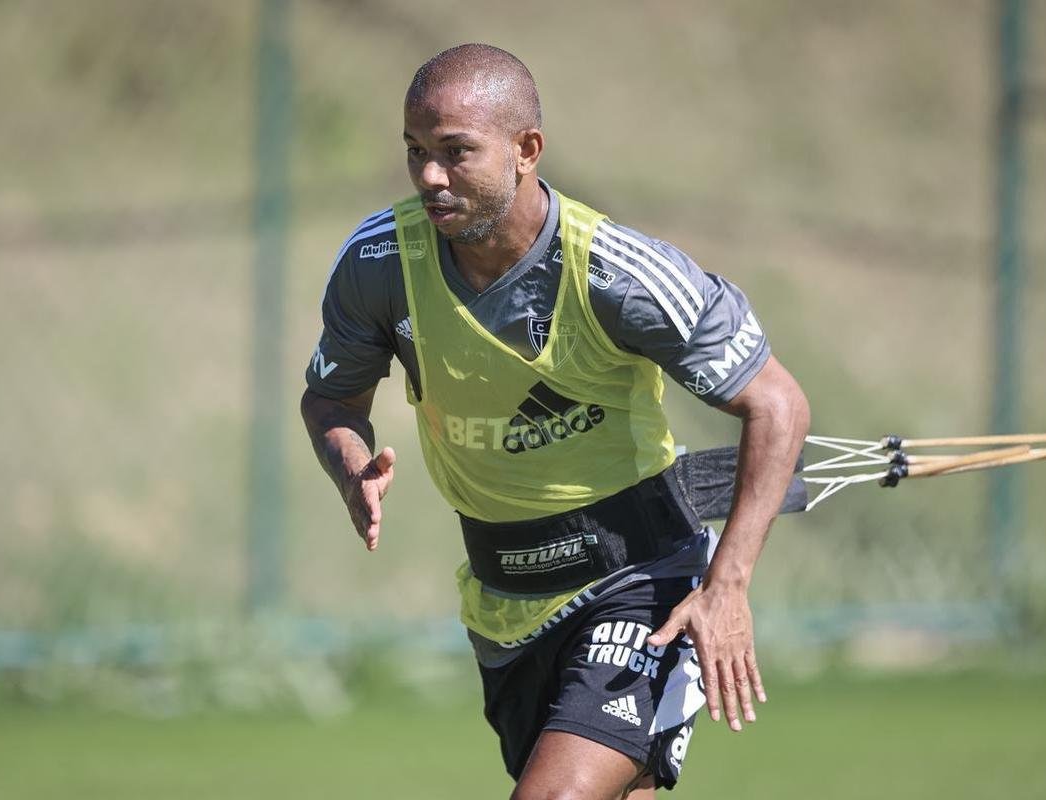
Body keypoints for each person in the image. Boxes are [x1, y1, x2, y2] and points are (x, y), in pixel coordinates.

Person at [301, 43, 810, 799]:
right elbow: (333, 400)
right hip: (502, 596)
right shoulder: (379, 263)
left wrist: (727, 588)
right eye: (414, 151)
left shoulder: (618, 275)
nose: (430, 176)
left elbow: (777, 403)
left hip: (639, 582)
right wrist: (350, 465)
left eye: (455, 152)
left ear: (526, 149)